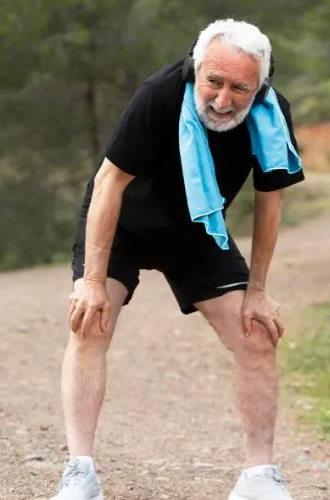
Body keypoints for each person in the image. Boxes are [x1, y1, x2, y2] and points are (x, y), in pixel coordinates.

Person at [52, 19, 304, 500]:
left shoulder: (271, 116)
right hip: (123, 223)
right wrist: (91, 280)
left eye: (240, 88)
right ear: (195, 69)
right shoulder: (159, 96)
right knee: (91, 322)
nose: (224, 99)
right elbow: (109, 184)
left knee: (257, 336)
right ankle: (80, 471)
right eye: (214, 81)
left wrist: (257, 291)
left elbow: (270, 201)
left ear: (261, 86)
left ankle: (259, 477)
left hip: (199, 229)